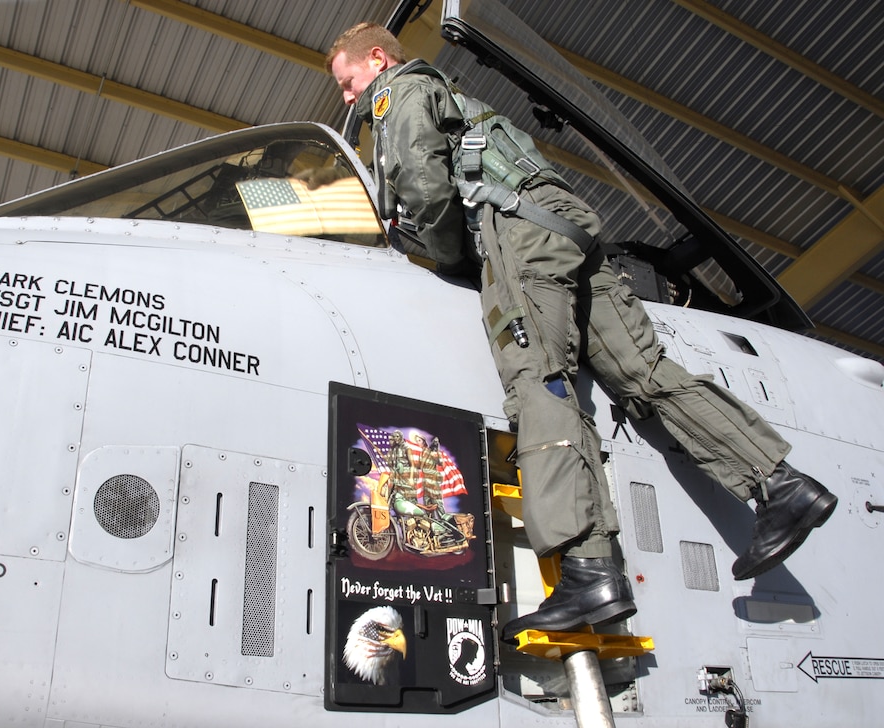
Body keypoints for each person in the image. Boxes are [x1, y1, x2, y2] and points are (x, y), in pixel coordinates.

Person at [325, 22, 838, 639]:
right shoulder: (456, 98)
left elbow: (428, 191)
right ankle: (781, 485)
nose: (351, 99)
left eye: (349, 82)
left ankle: (589, 570)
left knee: (540, 383)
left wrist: (450, 259)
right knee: (645, 373)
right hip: (565, 226)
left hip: (515, 232)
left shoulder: (400, 92)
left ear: (376, 59)